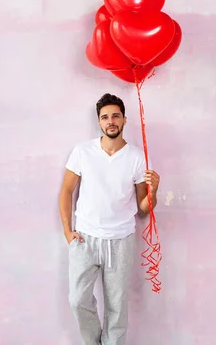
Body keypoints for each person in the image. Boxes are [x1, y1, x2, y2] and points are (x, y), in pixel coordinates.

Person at [58, 93, 160, 345]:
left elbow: (144, 208)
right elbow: (67, 191)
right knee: (77, 300)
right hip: (85, 238)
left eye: (115, 115)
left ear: (125, 120)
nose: (110, 121)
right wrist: (67, 231)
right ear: (99, 122)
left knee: (116, 307)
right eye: (105, 117)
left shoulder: (137, 157)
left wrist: (154, 190)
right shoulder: (83, 151)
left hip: (120, 240)